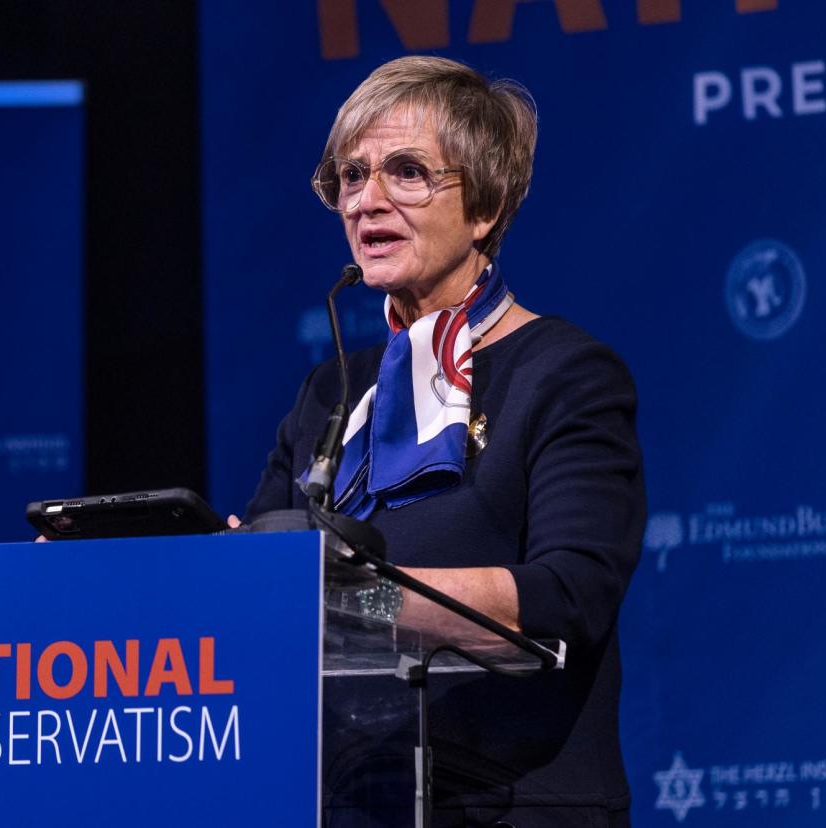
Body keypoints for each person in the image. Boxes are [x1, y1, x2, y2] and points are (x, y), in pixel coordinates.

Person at [242, 56, 646, 827]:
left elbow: (568, 597)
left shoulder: (565, 375)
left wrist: (360, 599)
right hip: (345, 800)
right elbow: (265, 574)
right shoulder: (328, 393)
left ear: (485, 205)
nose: (368, 200)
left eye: (406, 171)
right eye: (350, 175)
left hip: (512, 804)